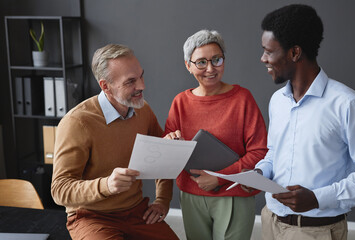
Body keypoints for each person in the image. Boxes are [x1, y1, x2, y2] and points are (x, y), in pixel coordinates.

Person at [51, 44, 179, 240]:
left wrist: (162, 199)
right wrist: (107, 185)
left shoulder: (143, 110)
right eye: (130, 82)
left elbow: (162, 158)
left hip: (136, 211)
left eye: (141, 76)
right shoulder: (77, 123)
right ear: (105, 86)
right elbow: (59, 190)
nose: (142, 86)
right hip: (91, 216)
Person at [255, 4, 355, 240]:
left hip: (315, 231)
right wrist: (259, 172)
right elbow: (274, 152)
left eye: (269, 51)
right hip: (270, 221)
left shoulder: (347, 104)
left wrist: (317, 198)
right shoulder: (277, 101)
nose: (263, 59)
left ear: (294, 53)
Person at [164, 29, 268, 240]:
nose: (210, 68)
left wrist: (219, 178)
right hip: (191, 195)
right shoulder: (180, 102)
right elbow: (168, 155)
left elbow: (259, 152)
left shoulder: (242, 99)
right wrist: (170, 143)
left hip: (233, 194)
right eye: (201, 62)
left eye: (216, 60)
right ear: (188, 66)